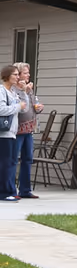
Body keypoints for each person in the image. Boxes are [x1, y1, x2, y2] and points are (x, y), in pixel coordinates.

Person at [14, 63, 44, 200]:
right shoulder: (13, 90)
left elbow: (33, 104)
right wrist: (24, 91)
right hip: (17, 130)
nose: (28, 75)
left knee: (27, 159)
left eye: (28, 73)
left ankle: (25, 190)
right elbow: (20, 108)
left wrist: (38, 107)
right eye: (25, 73)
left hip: (29, 130)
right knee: (13, 160)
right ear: (18, 75)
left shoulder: (29, 89)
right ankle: (10, 189)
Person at [0, 65, 22, 203]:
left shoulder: (13, 92)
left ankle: (9, 190)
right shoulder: (2, 91)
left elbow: (23, 110)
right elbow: (1, 110)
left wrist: (23, 91)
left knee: (11, 163)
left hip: (12, 133)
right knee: (5, 164)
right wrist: (18, 107)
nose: (17, 77)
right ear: (7, 76)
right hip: (3, 134)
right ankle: (3, 192)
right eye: (15, 74)